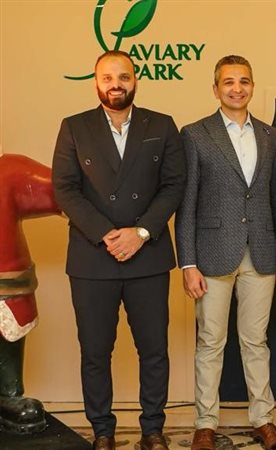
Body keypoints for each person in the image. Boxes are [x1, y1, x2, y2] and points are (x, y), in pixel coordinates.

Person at [52, 50, 186, 450]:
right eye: (108, 78)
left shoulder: (161, 125)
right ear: (96, 82)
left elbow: (174, 185)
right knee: (95, 351)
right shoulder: (74, 126)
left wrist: (140, 232)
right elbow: (65, 189)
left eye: (123, 77)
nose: (116, 84)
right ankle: (103, 431)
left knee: (154, 349)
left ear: (135, 79)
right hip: (93, 258)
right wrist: (108, 234)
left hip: (148, 256)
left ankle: (153, 430)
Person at [175, 55, 276, 450]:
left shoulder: (272, 137)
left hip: (262, 252)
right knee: (211, 342)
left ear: (252, 87)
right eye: (228, 82)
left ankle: (263, 420)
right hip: (211, 254)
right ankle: (205, 424)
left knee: (256, 341)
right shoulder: (195, 134)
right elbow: (186, 203)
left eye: (244, 81)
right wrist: (187, 262)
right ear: (216, 89)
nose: (237, 88)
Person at [0, 152, 60, 435]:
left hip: (5, 279)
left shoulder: (8, 171)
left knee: (7, 328)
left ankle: (8, 393)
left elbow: (60, 188)